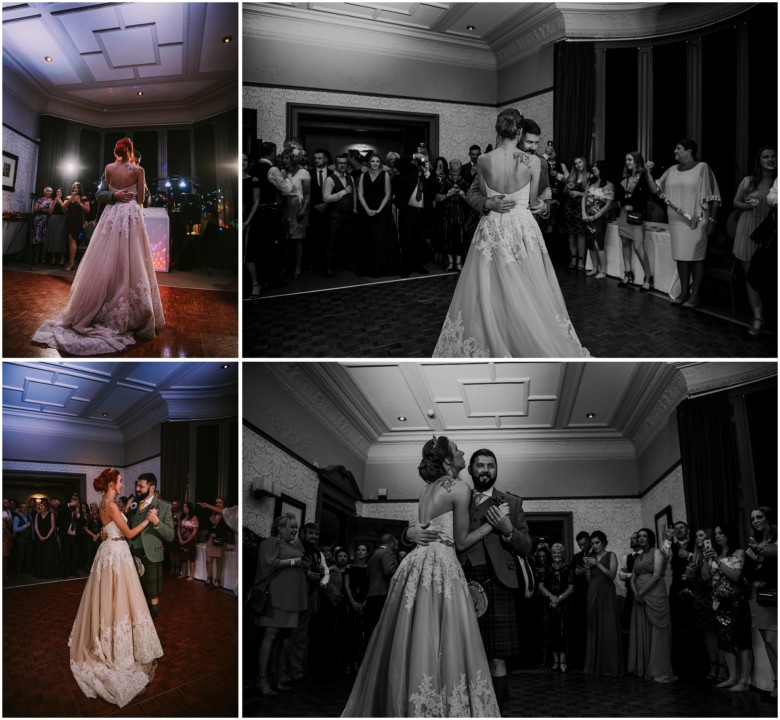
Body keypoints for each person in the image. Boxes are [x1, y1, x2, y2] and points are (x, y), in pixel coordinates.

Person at [342, 436, 500, 716]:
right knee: (444, 632)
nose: (463, 452)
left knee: (412, 632)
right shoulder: (460, 488)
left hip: (416, 562)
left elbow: (421, 528)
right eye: (457, 450)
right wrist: (491, 525)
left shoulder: (427, 489)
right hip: (441, 562)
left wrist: (409, 533)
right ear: (449, 461)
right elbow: (461, 542)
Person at [433, 108, 589, 358]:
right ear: (519, 133)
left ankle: (512, 333)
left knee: (511, 286)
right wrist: (488, 203)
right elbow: (511, 199)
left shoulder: (484, 160)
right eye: (530, 141)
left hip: (494, 229)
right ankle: (508, 333)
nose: (533, 146)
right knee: (500, 288)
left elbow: (535, 203)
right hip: (519, 225)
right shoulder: (533, 163)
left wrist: (545, 205)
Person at [32, 137, 164, 355]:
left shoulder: (109, 167)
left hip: (111, 215)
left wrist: (114, 194)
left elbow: (103, 192)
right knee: (132, 257)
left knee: (107, 256)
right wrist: (125, 191)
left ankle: (103, 299)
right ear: (130, 152)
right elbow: (140, 199)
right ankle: (126, 305)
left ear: (116, 152)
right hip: (130, 213)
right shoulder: (138, 170)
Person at [69, 468, 163, 707]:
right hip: (117, 553)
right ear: (111, 483)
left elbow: (108, 528)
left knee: (110, 599)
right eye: (120, 481)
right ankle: (116, 649)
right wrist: (147, 522)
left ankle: (110, 636)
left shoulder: (104, 502)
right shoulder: (110, 504)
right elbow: (129, 532)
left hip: (108, 551)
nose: (123, 484)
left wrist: (106, 532)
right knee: (120, 598)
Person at [458, 447, 532, 711]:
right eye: (480, 465)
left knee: (496, 656)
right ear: (471, 470)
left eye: (491, 465)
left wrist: (508, 530)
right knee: (461, 653)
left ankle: (495, 710)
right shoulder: (458, 498)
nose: (486, 470)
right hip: (460, 581)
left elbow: (526, 547)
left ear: (496, 470)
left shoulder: (512, 503)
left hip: (498, 582)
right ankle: (466, 709)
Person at [656, 139, 721, 307]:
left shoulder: (703, 168)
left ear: (689, 151)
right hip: (676, 222)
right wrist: (646, 172)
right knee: (681, 258)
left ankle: (695, 294)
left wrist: (712, 221)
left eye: (678, 149)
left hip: (697, 220)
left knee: (696, 258)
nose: (674, 151)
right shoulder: (671, 170)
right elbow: (656, 188)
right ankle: (684, 291)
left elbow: (714, 197)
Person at [253, 513, 307, 696]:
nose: (295, 530)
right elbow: (268, 563)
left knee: (280, 640)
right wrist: (295, 561)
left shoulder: (291, 545)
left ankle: (275, 677)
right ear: (280, 528)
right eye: (291, 527)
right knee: (270, 636)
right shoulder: (271, 542)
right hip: (276, 598)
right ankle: (261, 680)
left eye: (296, 528)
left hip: (290, 599)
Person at [702, 522, 753, 691]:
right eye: (715, 533)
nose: (717, 536)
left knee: (741, 641)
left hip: (736, 602)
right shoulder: (714, 554)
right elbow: (705, 577)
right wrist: (706, 559)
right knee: (725, 640)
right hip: (718, 603)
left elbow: (736, 575)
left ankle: (744, 681)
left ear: (729, 534)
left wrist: (717, 560)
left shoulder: (738, 552)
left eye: (721, 533)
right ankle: (732, 677)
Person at [732, 146, 777, 337]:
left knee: (767, 275)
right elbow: (735, 203)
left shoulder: (778, 182)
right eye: (766, 156)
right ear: (759, 160)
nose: (770, 159)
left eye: (774, 156)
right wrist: (746, 205)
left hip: (769, 235)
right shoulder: (748, 181)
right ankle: (758, 317)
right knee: (751, 275)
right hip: (747, 230)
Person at [124, 473, 175, 620]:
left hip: (151, 555)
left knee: (151, 595)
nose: (137, 489)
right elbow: (126, 528)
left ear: (152, 488)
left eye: (141, 486)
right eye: (137, 485)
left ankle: (150, 627)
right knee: (133, 592)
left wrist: (157, 522)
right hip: (131, 554)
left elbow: (171, 536)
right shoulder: (133, 505)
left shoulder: (164, 506)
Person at [628, 528, 676, 682]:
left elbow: (656, 575)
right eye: (639, 536)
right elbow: (632, 577)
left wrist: (641, 593)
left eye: (644, 536)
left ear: (650, 538)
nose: (641, 538)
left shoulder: (657, 552)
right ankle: (643, 666)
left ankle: (659, 670)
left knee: (657, 630)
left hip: (654, 594)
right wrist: (636, 593)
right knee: (643, 629)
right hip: (639, 596)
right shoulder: (639, 556)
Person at [745, 506, 777, 698]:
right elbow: (746, 570)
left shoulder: (775, 538)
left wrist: (760, 552)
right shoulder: (754, 542)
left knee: (772, 640)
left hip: (773, 594)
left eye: (759, 517)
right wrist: (753, 578)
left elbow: (774, 557)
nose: (755, 521)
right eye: (753, 519)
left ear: (768, 518)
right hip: (757, 596)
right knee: (767, 640)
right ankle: (776, 685)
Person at [583, 531, 625, 677]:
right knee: (594, 628)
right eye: (592, 543)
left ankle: (610, 666)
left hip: (606, 593)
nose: (594, 546)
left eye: (597, 543)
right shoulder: (591, 557)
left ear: (603, 542)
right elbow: (590, 580)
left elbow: (612, 575)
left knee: (608, 627)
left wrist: (597, 564)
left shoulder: (611, 555)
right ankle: (594, 666)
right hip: (593, 592)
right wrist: (587, 571)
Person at [615, 152, 658, 290]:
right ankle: (627, 274)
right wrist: (622, 204)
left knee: (638, 247)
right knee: (625, 243)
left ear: (637, 161)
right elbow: (618, 196)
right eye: (626, 159)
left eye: (629, 159)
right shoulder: (625, 177)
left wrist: (648, 172)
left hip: (637, 215)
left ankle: (648, 277)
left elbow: (652, 191)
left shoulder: (643, 177)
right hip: (623, 214)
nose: (627, 162)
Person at [357, 152, 398, 277]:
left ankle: (380, 269)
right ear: (369, 163)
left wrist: (379, 209)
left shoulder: (384, 175)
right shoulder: (363, 175)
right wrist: (367, 209)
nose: (375, 164)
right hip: (366, 211)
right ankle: (367, 269)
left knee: (379, 239)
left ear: (380, 163)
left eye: (377, 161)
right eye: (373, 161)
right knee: (368, 239)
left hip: (381, 211)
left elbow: (388, 194)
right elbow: (360, 194)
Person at [538, 542, 574, 672]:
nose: (557, 555)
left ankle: (563, 661)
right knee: (551, 632)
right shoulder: (546, 568)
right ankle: (555, 661)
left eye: (559, 552)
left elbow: (571, 587)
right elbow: (540, 586)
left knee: (563, 632)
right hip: (550, 605)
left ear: (563, 554)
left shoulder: (568, 568)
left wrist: (559, 598)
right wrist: (551, 597)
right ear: (551, 555)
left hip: (564, 605)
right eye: (554, 553)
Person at [363, 533, 398, 647]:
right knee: (379, 628)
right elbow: (389, 572)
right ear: (391, 543)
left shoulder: (373, 555)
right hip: (381, 594)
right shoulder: (387, 552)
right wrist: (399, 568)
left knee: (371, 628)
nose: (396, 548)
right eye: (395, 545)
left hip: (371, 594)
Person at [581, 160, 615, 279]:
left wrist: (595, 216)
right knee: (590, 244)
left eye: (596, 166)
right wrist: (584, 214)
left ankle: (603, 271)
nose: (593, 168)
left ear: (602, 169)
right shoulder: (591, 182)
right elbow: (584, 198)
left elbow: (609, 205)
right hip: (587, 217)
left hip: (599, 219)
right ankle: (595, 268)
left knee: (598, 244)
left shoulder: (608, 185)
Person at [563, 156, 589, 270]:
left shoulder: (589, 176)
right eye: (576, 163)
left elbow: (592, 195)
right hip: (569, 208)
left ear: (584, 163)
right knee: (571, 234)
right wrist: (568, 190)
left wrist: (579, 194)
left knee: (581, 234)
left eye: (580, 162)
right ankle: (573, 258)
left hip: (581, 208)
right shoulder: (571, 176)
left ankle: (581, 260)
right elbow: (564, 192)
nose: (578, 165)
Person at [61, 181, 90, 271]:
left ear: (80, 189)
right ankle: (72, 261)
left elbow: (88, 210)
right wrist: (69, 200)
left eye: (77, 187)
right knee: (70, 240)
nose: (75, 189)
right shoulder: (68, 197)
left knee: (72, 239)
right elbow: (63, 207)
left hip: (77, 222)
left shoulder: (83, 197)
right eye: (74, 187)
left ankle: (71, 262)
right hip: (69, 221)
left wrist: (79, 202)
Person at [204, 497, 230, 588]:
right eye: (216, 502)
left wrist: (216, 532)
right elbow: (207, 526)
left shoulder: (226, 514)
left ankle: (217, 579)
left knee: (219, 560)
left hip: (220, 539)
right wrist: (211, 532)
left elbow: (226, 528)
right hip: (211, 539)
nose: (218, 504)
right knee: (208, 560)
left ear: (224, 504)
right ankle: (209, 578)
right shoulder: (212, 514)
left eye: (220, 502)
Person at [32, 187, 54, 263]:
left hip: (47, 220)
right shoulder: (39, 200)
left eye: (50, 191)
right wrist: (41, 208)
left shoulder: (52, 200)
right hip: (38, 220)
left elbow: (50, 211)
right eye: (48, 191)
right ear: (44, 192)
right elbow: (34, 210)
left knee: (45, 239)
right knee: (37, 238)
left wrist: (44, 209)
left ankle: (43, 258)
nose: (49, 192)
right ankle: (36, 257)